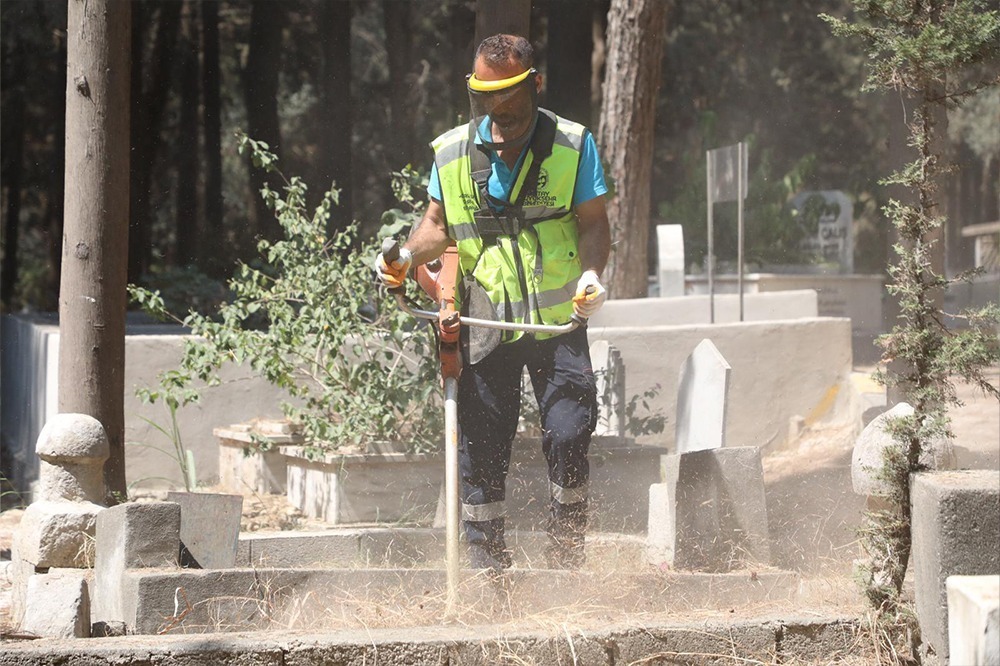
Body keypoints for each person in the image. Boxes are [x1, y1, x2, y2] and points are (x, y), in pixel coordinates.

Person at [375, 34, 611, 572]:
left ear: (535, 83)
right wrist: (404, 258)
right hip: (484, 322)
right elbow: (435, 227)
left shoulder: (573, 144)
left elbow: (594, 223)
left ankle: (566, 551)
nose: (497, 106)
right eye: (486, 95)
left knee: (571, 433)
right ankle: (487, 571)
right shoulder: (452, 151)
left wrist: (593, 276)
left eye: (508, 94)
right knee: (481, 449)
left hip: (557, 322)